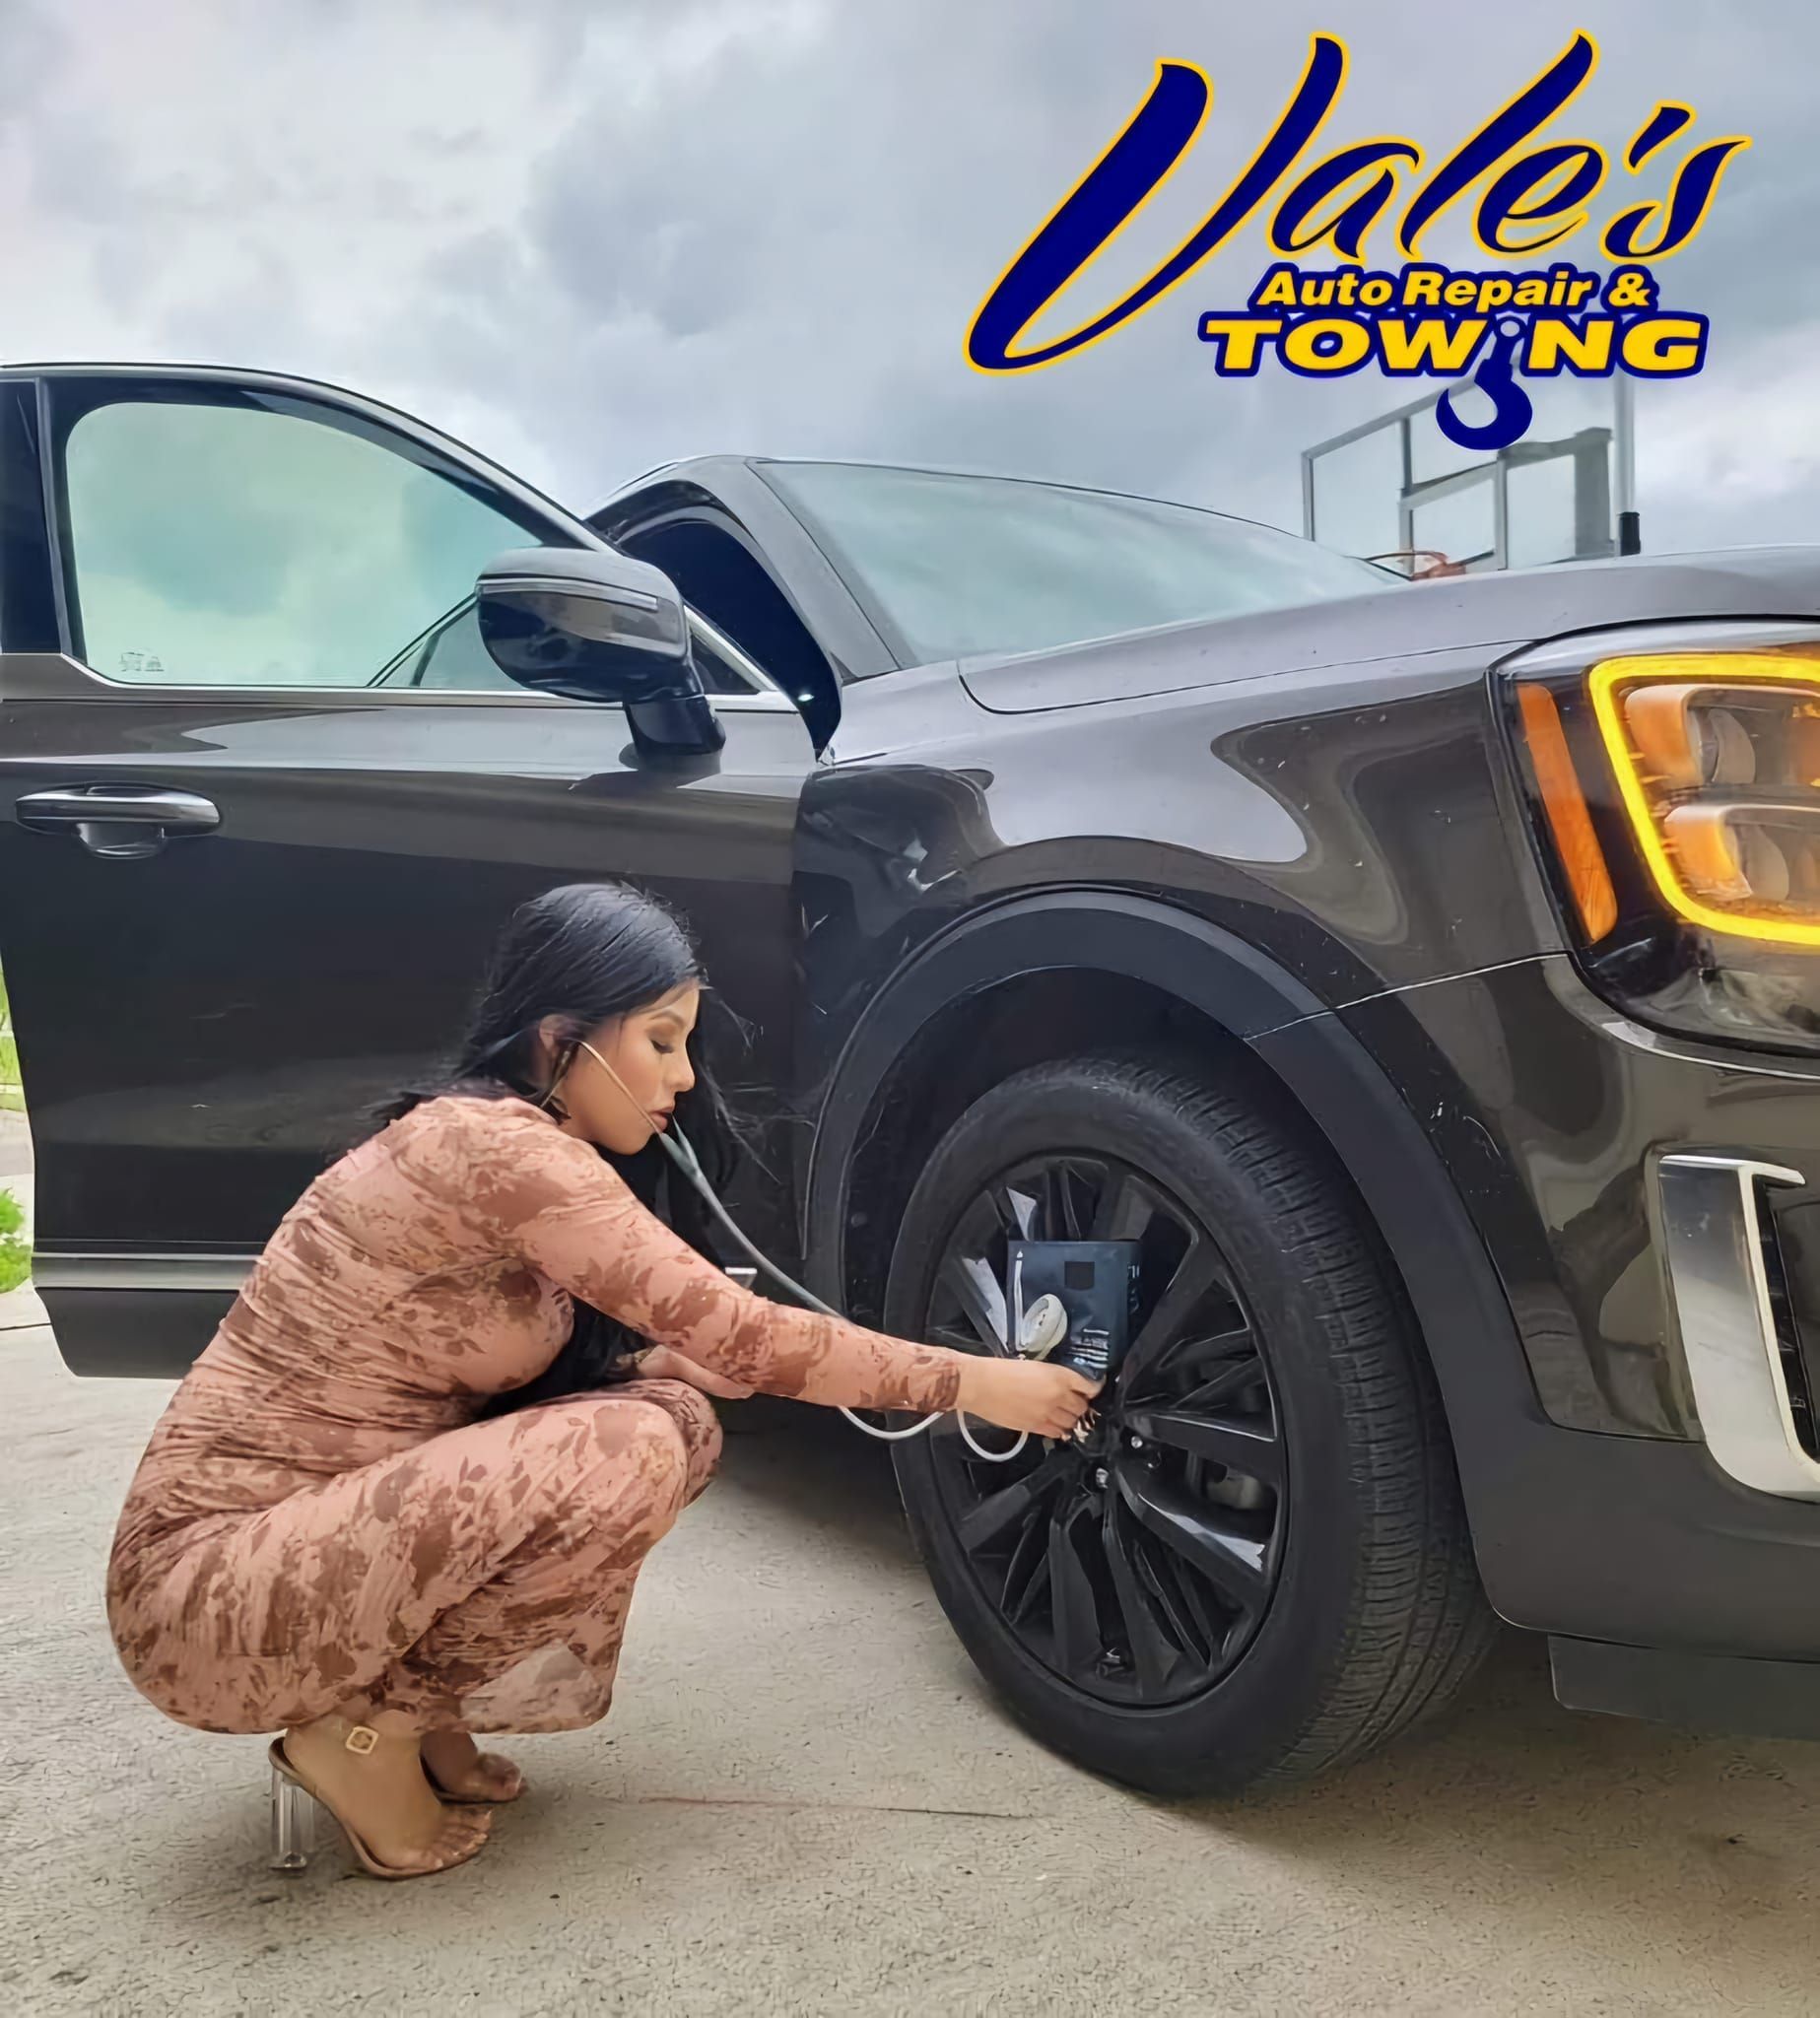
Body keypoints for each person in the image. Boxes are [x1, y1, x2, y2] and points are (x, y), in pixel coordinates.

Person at [103, 882, 1098, 1880]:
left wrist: (652, 1360)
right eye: (659, 1041)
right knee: (623, 1451)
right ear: (558, 1038)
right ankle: (361, 1738)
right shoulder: (499, 1149)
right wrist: (974, 1381)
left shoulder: (492, 1139)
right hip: (203, 1595)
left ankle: (419, 1709)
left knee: (672, 1414)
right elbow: (748, 1334)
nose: (682, 1077)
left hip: (298, 1546)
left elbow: (455, 1358)